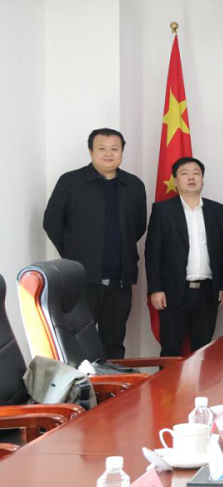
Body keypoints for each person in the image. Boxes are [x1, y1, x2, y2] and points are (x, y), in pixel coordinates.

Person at [43, 128, 147, 359]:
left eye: (114, 149)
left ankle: (112, 384)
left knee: (114, 344)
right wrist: (73, 253)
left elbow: (138, 227)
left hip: (120, 281)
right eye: (102, 148)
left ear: (121, 152)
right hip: (82, 281)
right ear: (91, 151)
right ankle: (83, 385)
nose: (108, 154)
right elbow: (52, 222)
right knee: (79, 343)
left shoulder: (134, 185)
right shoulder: (71, 181)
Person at [145, 157, 223, 356]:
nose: (191, 177)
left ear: (202, 179)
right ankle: (168, 380)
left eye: (196, 173)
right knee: (171, 351)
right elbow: (153, 253)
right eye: (185, 173)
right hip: (173, 292)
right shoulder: (163, 210)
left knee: (202, 352)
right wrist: (155, 289)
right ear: (175, 180)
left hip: (208, 292)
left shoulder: (216, 210)